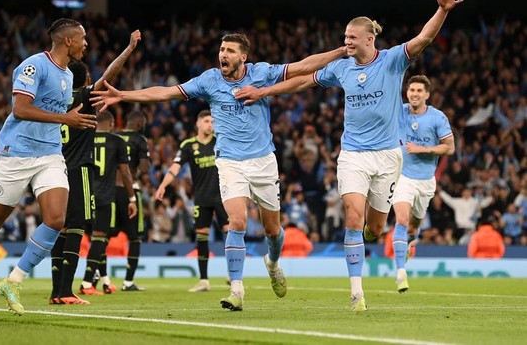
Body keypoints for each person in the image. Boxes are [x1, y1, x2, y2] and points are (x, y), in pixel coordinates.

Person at [234, 0, 463, 311]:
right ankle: (357, 293)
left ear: (369, 39)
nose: (346, 43)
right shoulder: (341, 67)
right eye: (345, 38)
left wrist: (442, 10)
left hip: (387, 156)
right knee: (353, 218)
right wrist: (262, 92)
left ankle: (370, 244)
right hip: (353, 154)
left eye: (351, 38)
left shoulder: (392, 60)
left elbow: (424, 39)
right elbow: (302, 81)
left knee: (374, 228)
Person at [92, 33, 346, 311]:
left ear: (243, 57)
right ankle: (236, 290)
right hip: (229, 162)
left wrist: (341, 51)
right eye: (222, 49)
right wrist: (124, 95)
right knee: (237, 222)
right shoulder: (209, 80)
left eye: (230, 51)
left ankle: (272, 263)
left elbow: (302, 66)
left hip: (262, 161)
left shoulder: (261, 73)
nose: (223, 54)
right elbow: (167, 92)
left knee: (272, 230)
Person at [0, 18, 97, 316]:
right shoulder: (33, 66)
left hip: (49, 154)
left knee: (55, 219)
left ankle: (14, 280)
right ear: (68, 41)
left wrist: (69, 116)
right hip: (16, 153)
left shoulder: (67, 75)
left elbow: (55, 112)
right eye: (83, 38)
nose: (86, 44)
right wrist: (67, 118)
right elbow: (21, 109)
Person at [49, 30, 141, 305]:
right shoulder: (85, 98)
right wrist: (129, 48)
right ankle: (66, 291)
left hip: (53, 170)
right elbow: (110, 76)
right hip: (79, 170)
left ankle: (56, 291)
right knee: (76, 228)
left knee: (58, 229)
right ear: (86, 80)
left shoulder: (52, 101)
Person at [390, 75, 454, 293]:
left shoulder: (437, 117)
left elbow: (450, 148)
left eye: (419, 91)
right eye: (411, 90)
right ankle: (400, 273)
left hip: (426, 180)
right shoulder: (398, 111)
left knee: (414, 227)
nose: (414, 94)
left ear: (427, 94)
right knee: (402, 219)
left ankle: (409, 243)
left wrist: (424, 150)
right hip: (402, 176)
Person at [155, 110, 229, 293]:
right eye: (206, 121)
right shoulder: (188, 145)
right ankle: (204, 280)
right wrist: (163, 185)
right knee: (202, 238)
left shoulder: (221, 140)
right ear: (198, 123)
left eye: (212, 121)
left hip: (223, 196)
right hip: (202, 198)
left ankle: (232, 274)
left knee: (230, 234)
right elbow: (175, 166)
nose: (210, 125)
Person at [78, 110, 137, 295]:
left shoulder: (84, 139)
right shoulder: (117, 141)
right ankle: (87, 283)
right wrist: (132, 198)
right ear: (111, 124)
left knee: (95, 238)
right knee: (99, 239)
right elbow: (125, 173)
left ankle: (105, 280)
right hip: (105, 196)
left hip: (85, 194)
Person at [113, 110, 151, 291]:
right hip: (130, 192)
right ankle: (128, 281)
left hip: (109, 190)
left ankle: (97, 277)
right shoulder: (140, 139)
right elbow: (143, 169)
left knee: (102, 236)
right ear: (138, 124)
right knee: (135, 238)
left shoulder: (114, 137)